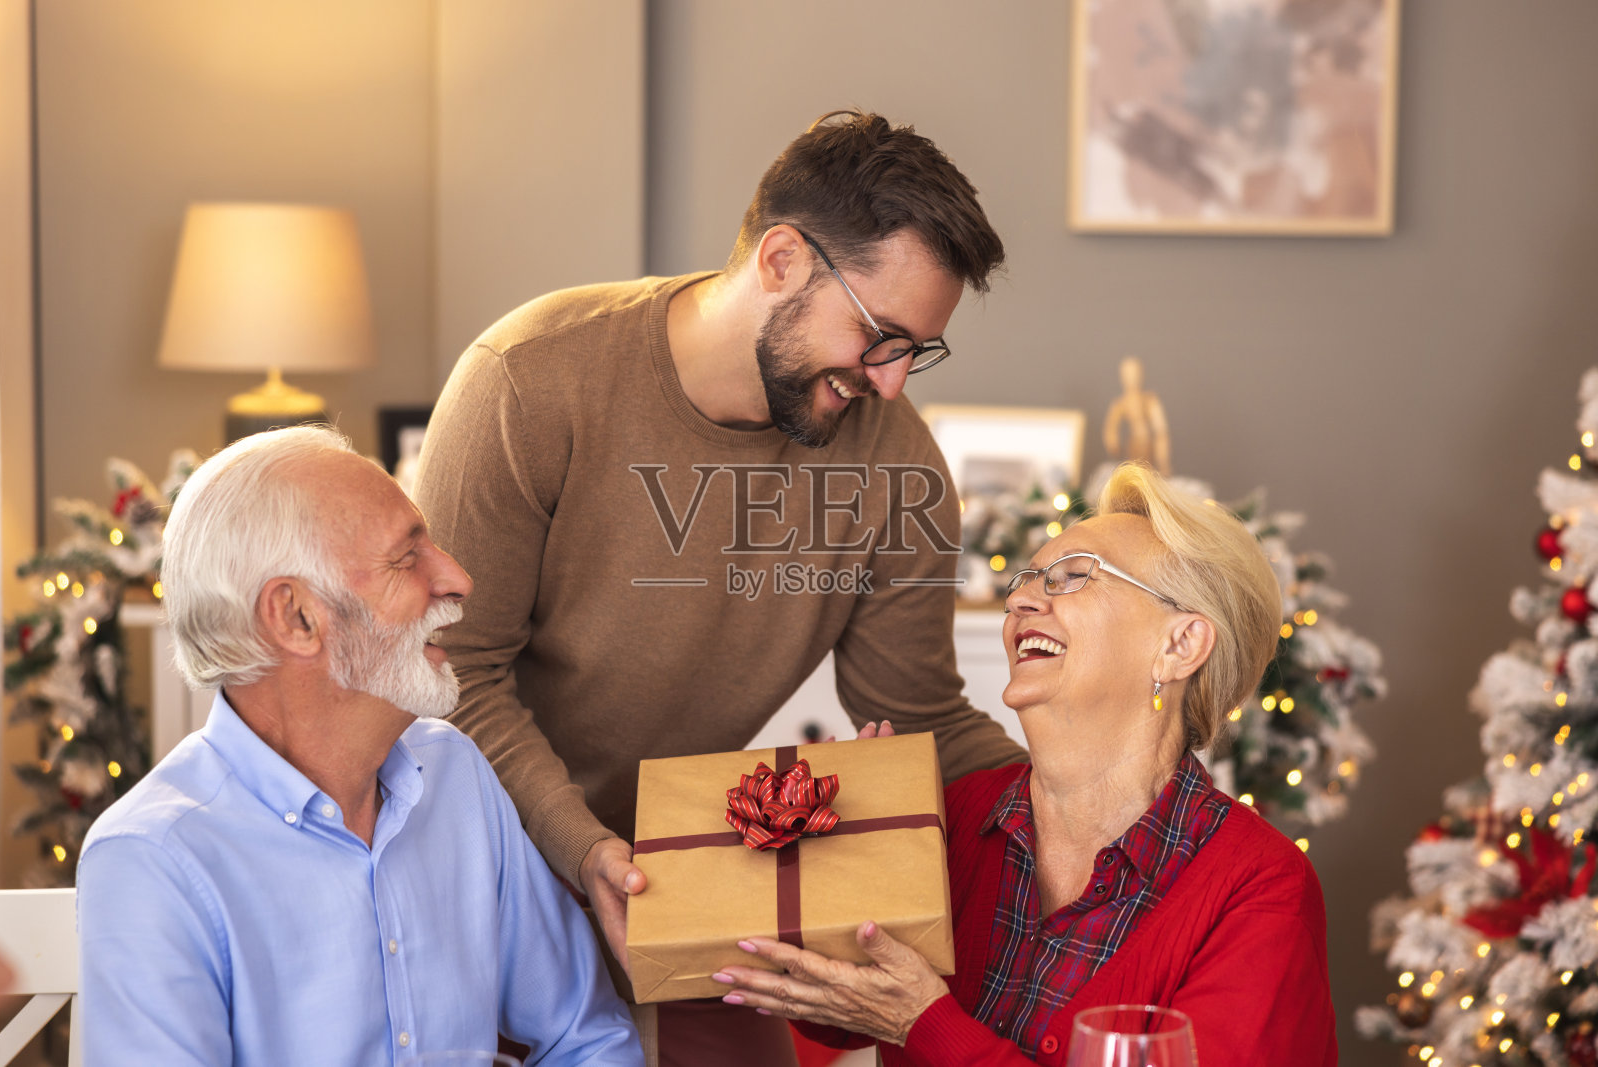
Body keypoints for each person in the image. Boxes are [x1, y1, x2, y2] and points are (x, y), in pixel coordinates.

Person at [413, 109, 1027, 1064]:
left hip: (685, 881)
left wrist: (1097, 803)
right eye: (879, 335)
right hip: (471, 869)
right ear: (780, 260)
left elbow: (921, 716)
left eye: (918, 349)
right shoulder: (529, 379)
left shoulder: (893, 459)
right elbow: (448, 675)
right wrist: (583, 851)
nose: (894, 382)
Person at [716, 463, 1338, 1065]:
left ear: (1179, 645)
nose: (1023, 604)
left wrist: (924, 1025)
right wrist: (835, 864)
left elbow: (908, 1019)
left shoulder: (1259, 889)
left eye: (1072, 577)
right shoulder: (954, 816)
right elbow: (838, 1018)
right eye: (1027, 581)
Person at [76, 426, 642, 1067]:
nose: (458, 580)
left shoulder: (456, 774)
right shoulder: (153, 860)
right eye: (407, 558)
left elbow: (586, 1037)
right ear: (295, 617)